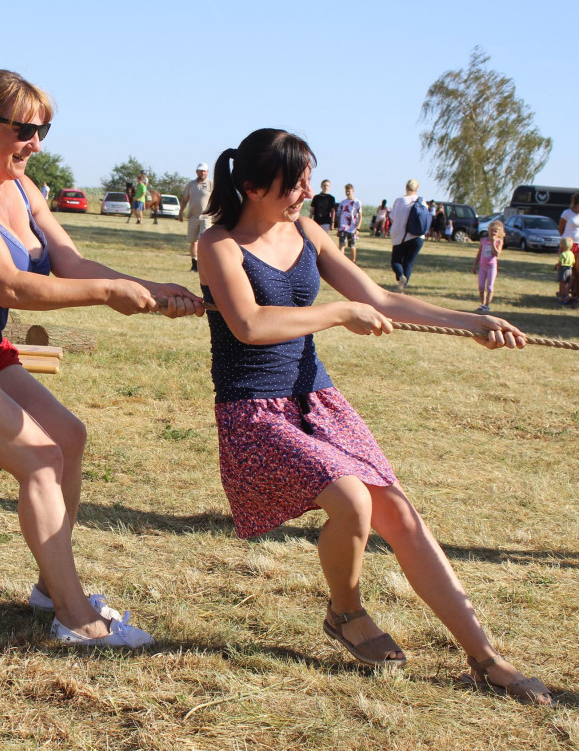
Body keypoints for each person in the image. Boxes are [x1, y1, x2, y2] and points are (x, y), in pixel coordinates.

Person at [196, 128, 551, 704]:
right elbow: (249, 325)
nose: (307, 192)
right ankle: (347, 611)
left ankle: (487, 659)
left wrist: (469, 321)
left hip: (319, 400)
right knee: (351, 499)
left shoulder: (307, 231)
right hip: (254, 411)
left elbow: (380, 298)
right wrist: (336, 314)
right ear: (254, 186)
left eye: (310, 177)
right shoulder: (217, 245)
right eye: (295, 182)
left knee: (400, 514)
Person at [0, 70, 203, 648]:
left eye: (44, 130)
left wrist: (154, 289)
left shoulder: (26, 190)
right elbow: (9, 287)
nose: (36, 144)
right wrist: (108, 295)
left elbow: (71, 263)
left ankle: (52, 586)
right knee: (41, 460)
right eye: (24, 129)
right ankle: (76, 618)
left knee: (68, 437)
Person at [388, 179, 427, 293]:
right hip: (418, 236)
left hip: (401, 236)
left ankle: (401, 277)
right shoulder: (422, 201)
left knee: (396, 261)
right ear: (417, 188)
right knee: (409, 262)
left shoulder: (400, 201)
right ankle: (403, 287)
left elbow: (393, 217)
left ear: (406, 187)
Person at [178, 162, 213, 272]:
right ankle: (194, 264)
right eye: (200, 170)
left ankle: (205, 265)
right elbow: (185, 199)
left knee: (203, 241)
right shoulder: (191, 184)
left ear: (207, 172)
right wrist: (180, 212)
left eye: (204, 171)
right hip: (193, 216)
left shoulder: (211, 184)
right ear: (196, 172)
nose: (202, 173)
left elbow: (217, 199)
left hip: (206, 217)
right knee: (193, 241)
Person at [473, 219, 504, 312]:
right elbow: (479, 253)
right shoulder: (483, 240)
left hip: (491, 266)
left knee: (489, 287)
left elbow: (497, 254)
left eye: (495, 231)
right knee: (481, 286)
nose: (493, 233)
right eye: (491, 230)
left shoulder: (499, 241)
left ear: (498, 232)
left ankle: (487, 305)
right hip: (482, 266)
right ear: (488, 230)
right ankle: (482, 303)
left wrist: (493, 243)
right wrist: (475, 265)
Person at [336, 183, 361, 264]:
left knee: (352, 245)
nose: (347, 192)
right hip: (343, 227)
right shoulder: (342, 203)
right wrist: (338, 227)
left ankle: (353, 261)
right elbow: (339, 215)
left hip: (352, 228)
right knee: (341, 244)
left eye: (349, 191)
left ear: (353, 191)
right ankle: (341, 261)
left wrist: (358, 228)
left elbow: (360, 216)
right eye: (346, 191)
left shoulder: (357, 202)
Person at [555, 235, 574, 306]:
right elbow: (573, 262)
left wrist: (557, 265)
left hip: (563, 269)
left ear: (561, 246)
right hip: (570, 269)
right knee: (567, 283)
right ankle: (566, 295)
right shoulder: (571, 254)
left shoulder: (562, 254)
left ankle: (563, 296)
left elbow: (561, 263)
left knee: (562, 283)